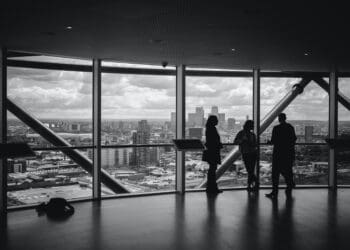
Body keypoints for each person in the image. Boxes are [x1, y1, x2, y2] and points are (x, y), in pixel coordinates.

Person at [265, 113, 297, 199]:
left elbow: (273, 141)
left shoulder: (276, 128)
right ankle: (289, 186)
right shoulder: (290, 127)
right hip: (288, 153)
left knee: (275, 173)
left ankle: (275, 191)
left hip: (278, 153)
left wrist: (269, 142)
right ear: (285, 118)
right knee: (287, 170)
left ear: (279, 119)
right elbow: (294, 139)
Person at [234, 120, 258, 192]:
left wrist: (243, 141)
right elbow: (235, 141)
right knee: (250, 170)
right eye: (252, 125)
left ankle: (250, 185)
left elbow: (236, 141)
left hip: (248, 153)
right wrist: (243, 141)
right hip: (250, 153)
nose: (253, 126)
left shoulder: (243, 133)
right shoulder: (250, 134)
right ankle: (254, 183)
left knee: (250, 170)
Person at [202, 115, 223, 194]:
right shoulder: (212, 129)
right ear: (213, 121)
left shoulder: (209, 129)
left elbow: (210, 141)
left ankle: (211, 187)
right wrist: (219, 145)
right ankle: (212, 188)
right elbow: (213, 141)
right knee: (212, 170)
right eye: (216, 120)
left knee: (212, 170)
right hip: (213, 152)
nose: (217, 121)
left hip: (210, 151)